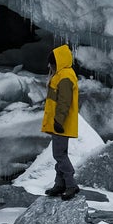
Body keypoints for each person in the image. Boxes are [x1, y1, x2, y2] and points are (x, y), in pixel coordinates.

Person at [41, 43, 80, 199]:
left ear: (58, 62)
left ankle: (71, 185)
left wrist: (59, 120)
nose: (49, 66)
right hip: (58, 122)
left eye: (51, 63)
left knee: (60, 155)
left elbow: (64, 101)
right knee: (59, 154)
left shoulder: (65, 76)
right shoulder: (62, 74)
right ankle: (60, 184)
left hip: (60, 123)